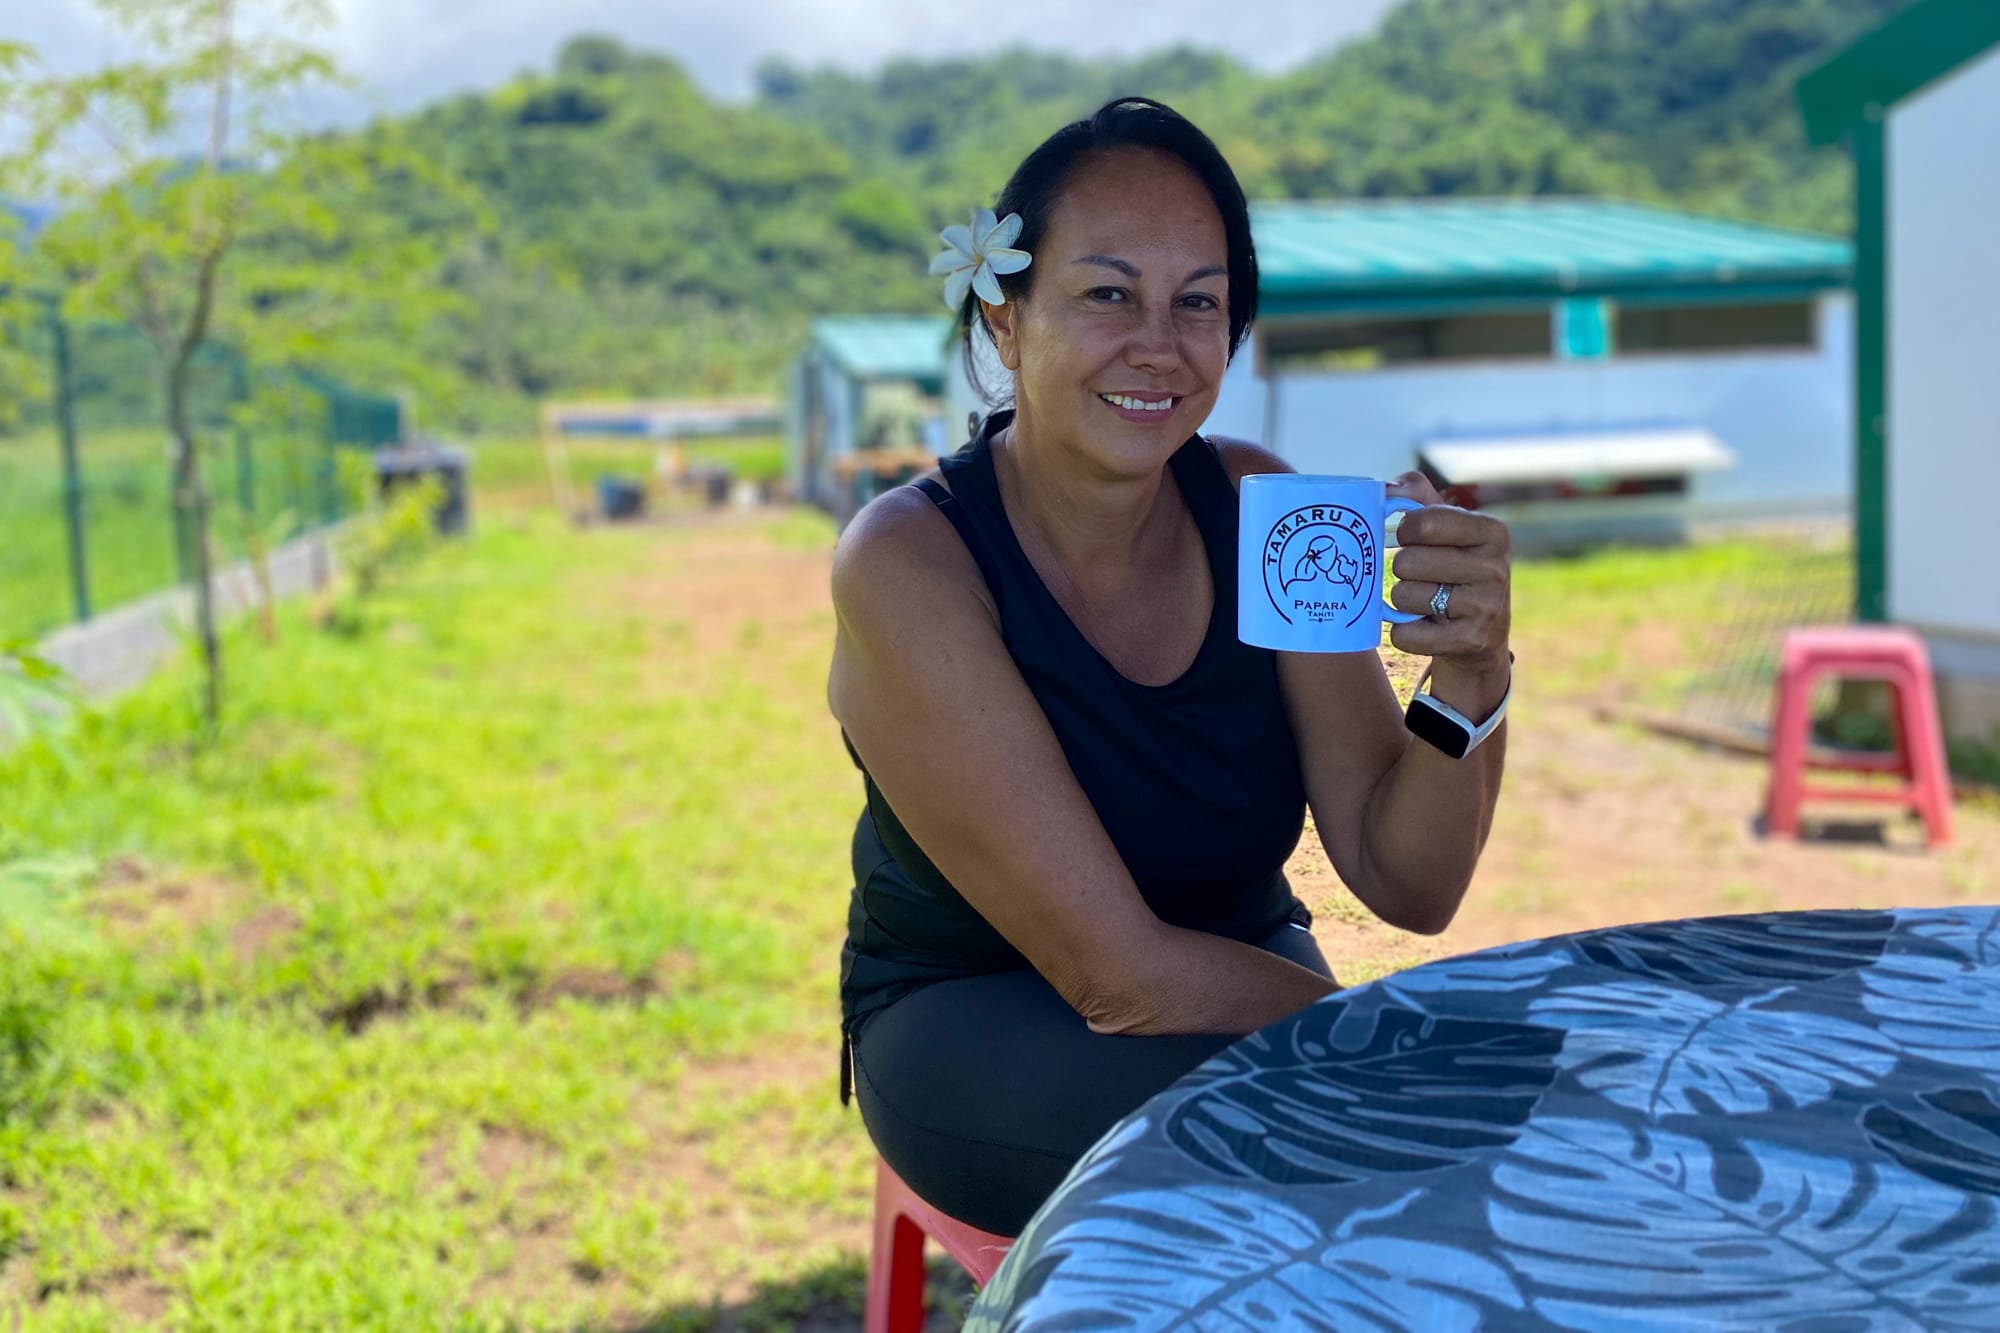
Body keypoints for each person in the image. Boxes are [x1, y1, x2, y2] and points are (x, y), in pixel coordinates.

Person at [828, 97, 1513, 1237]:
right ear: (1005, 318)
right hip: (980, 1015)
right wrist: (1375, 1035)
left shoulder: (1265, 507)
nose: (1158, 343)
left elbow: (1410, 882)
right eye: (1106, 294)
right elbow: (1119, 979)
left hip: (1241, 982)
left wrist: (1467, 676)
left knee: (1396, 1152)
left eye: (1197, 302)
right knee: (1339, 1166)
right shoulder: (909, 560)